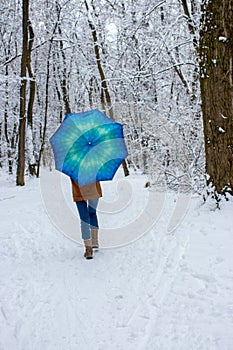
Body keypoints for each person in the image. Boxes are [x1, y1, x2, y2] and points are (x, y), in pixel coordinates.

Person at [71, 179, 102, 259]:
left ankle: (88, 249)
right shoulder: (95, 165)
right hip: (94, 190)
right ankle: (94, 241)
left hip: (78, 191)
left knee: (84, 219)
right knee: (92, 213)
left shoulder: (72, 166)